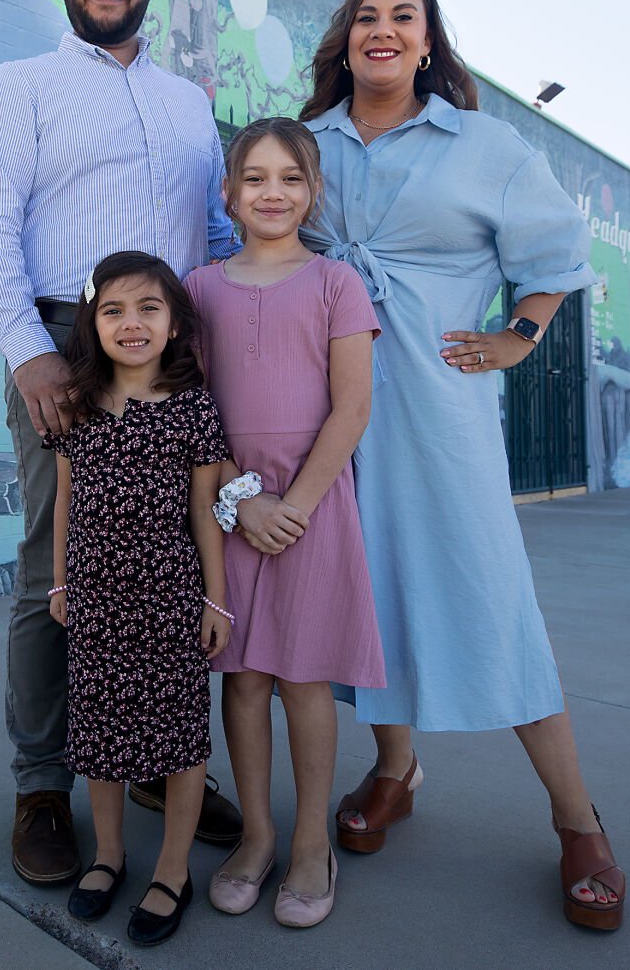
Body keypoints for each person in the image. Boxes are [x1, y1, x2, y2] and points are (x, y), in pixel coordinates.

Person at [295, 0, 627, 931]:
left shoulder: (484, 145)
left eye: (405, 16)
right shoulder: (306, 144)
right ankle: (395, 770)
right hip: (326, 417)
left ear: (430, 40)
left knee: (492, 600)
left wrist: (518, 338)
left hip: (440, 418)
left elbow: (555, 257)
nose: (384, 31)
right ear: (345, 39)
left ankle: (576, 821)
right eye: (367, 17)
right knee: (366, 593)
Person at [0, 0, 242, 888]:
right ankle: (42, 785)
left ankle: (159, 769)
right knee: (57, 567)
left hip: (171, 349)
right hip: (64, 341)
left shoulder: (189, 106)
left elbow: (212, 237)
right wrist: (30, 352)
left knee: (163, 564)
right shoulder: (22, 86)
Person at [184, 119, 384, 929]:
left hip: (312, 507)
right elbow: (192, 413)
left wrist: (293, 506)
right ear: (228, 193)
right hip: (230, 508)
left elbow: (354, 405)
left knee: (302, 677)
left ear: (313, 193)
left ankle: (309, 842)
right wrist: (242, 500)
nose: (273, 193)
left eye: (290, 179)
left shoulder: (336, 282)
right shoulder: (197, 288)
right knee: (243, 676)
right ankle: (257, 836)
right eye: (255, 178)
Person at [47, 251, 233, 946]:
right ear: (92, 324)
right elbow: (65, 499)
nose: (131, 324)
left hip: (170, 600)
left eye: (148, 308)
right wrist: (62, 581)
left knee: (180, 737)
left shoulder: (193, 409)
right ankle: (109, 856)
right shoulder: (75, 408)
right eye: (113, 310)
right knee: (99, 733)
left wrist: (215, 601)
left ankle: (173, 870)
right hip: (95, 600)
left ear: (175, 324)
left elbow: (205, 511)